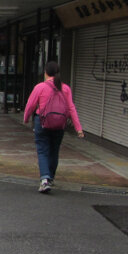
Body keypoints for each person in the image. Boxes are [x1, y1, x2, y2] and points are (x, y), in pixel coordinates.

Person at [23, 60, 84, 193]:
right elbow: (71, 108)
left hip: (42, 122)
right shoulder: (65, 88)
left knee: (43, 150)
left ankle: (44, 180)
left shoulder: (40, 87)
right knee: (54, 151)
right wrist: (78, 128)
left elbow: (30, 105)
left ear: (45, 73)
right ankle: (50, 177)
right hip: (59, 124)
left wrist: (26, 118)